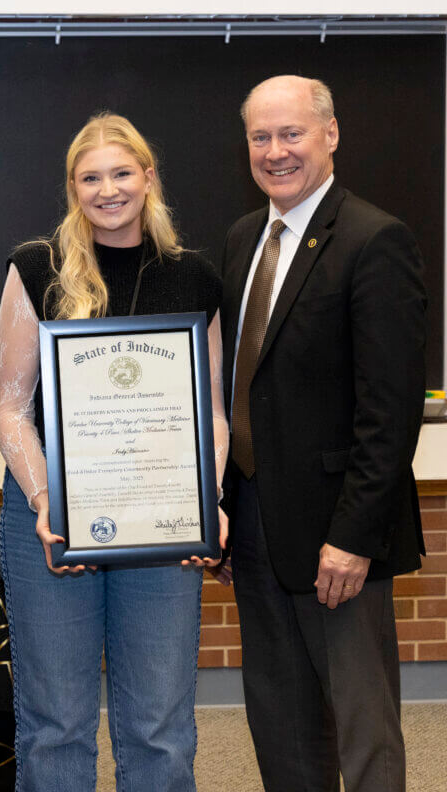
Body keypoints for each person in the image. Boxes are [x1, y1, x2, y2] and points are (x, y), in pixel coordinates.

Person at [0, 112, 228, 792]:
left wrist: (204, 503)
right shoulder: (36, 266)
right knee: (55, 726)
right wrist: (44, 500)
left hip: (162, 520)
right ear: (73, 187)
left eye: (122, 173)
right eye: (90, 177)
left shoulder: (195, 279)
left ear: (148, 178)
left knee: (160, 728)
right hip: (51, 517)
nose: (108, 190)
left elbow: (208, 413)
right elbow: (10, 404)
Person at [220, 75, 426, 792]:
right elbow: (241, 387)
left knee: (363, 734)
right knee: (281, 726)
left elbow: (391, 413)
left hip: (341, 542)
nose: (275, 151)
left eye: (291, 133)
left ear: (330, 135)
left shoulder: (375, 240)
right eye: (260, 136)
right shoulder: (246, 237)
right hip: (254, 528)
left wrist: (354, 536)